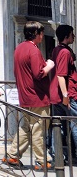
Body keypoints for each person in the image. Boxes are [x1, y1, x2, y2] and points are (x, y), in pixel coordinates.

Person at [4, 21, 56, 170]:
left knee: (26, 127)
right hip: (37, 96)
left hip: (25, 95)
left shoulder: (19, 48)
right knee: (39, 128)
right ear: (36, 34)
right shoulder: (33, 51)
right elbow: (38, 73)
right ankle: (41, 161)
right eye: (41, 33)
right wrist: (49, 66)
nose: (42, 36)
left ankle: (13, 155)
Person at [52, 24, 77, 162]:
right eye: (72, 34)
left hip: (58, 95)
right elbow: (61, 75)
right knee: (74, 125)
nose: (74, 36)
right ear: (67, 36)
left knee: (59, 126)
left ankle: (60, 155)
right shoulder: (64, 52)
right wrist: (66, 96)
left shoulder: (57, 50)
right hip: (69, 95)